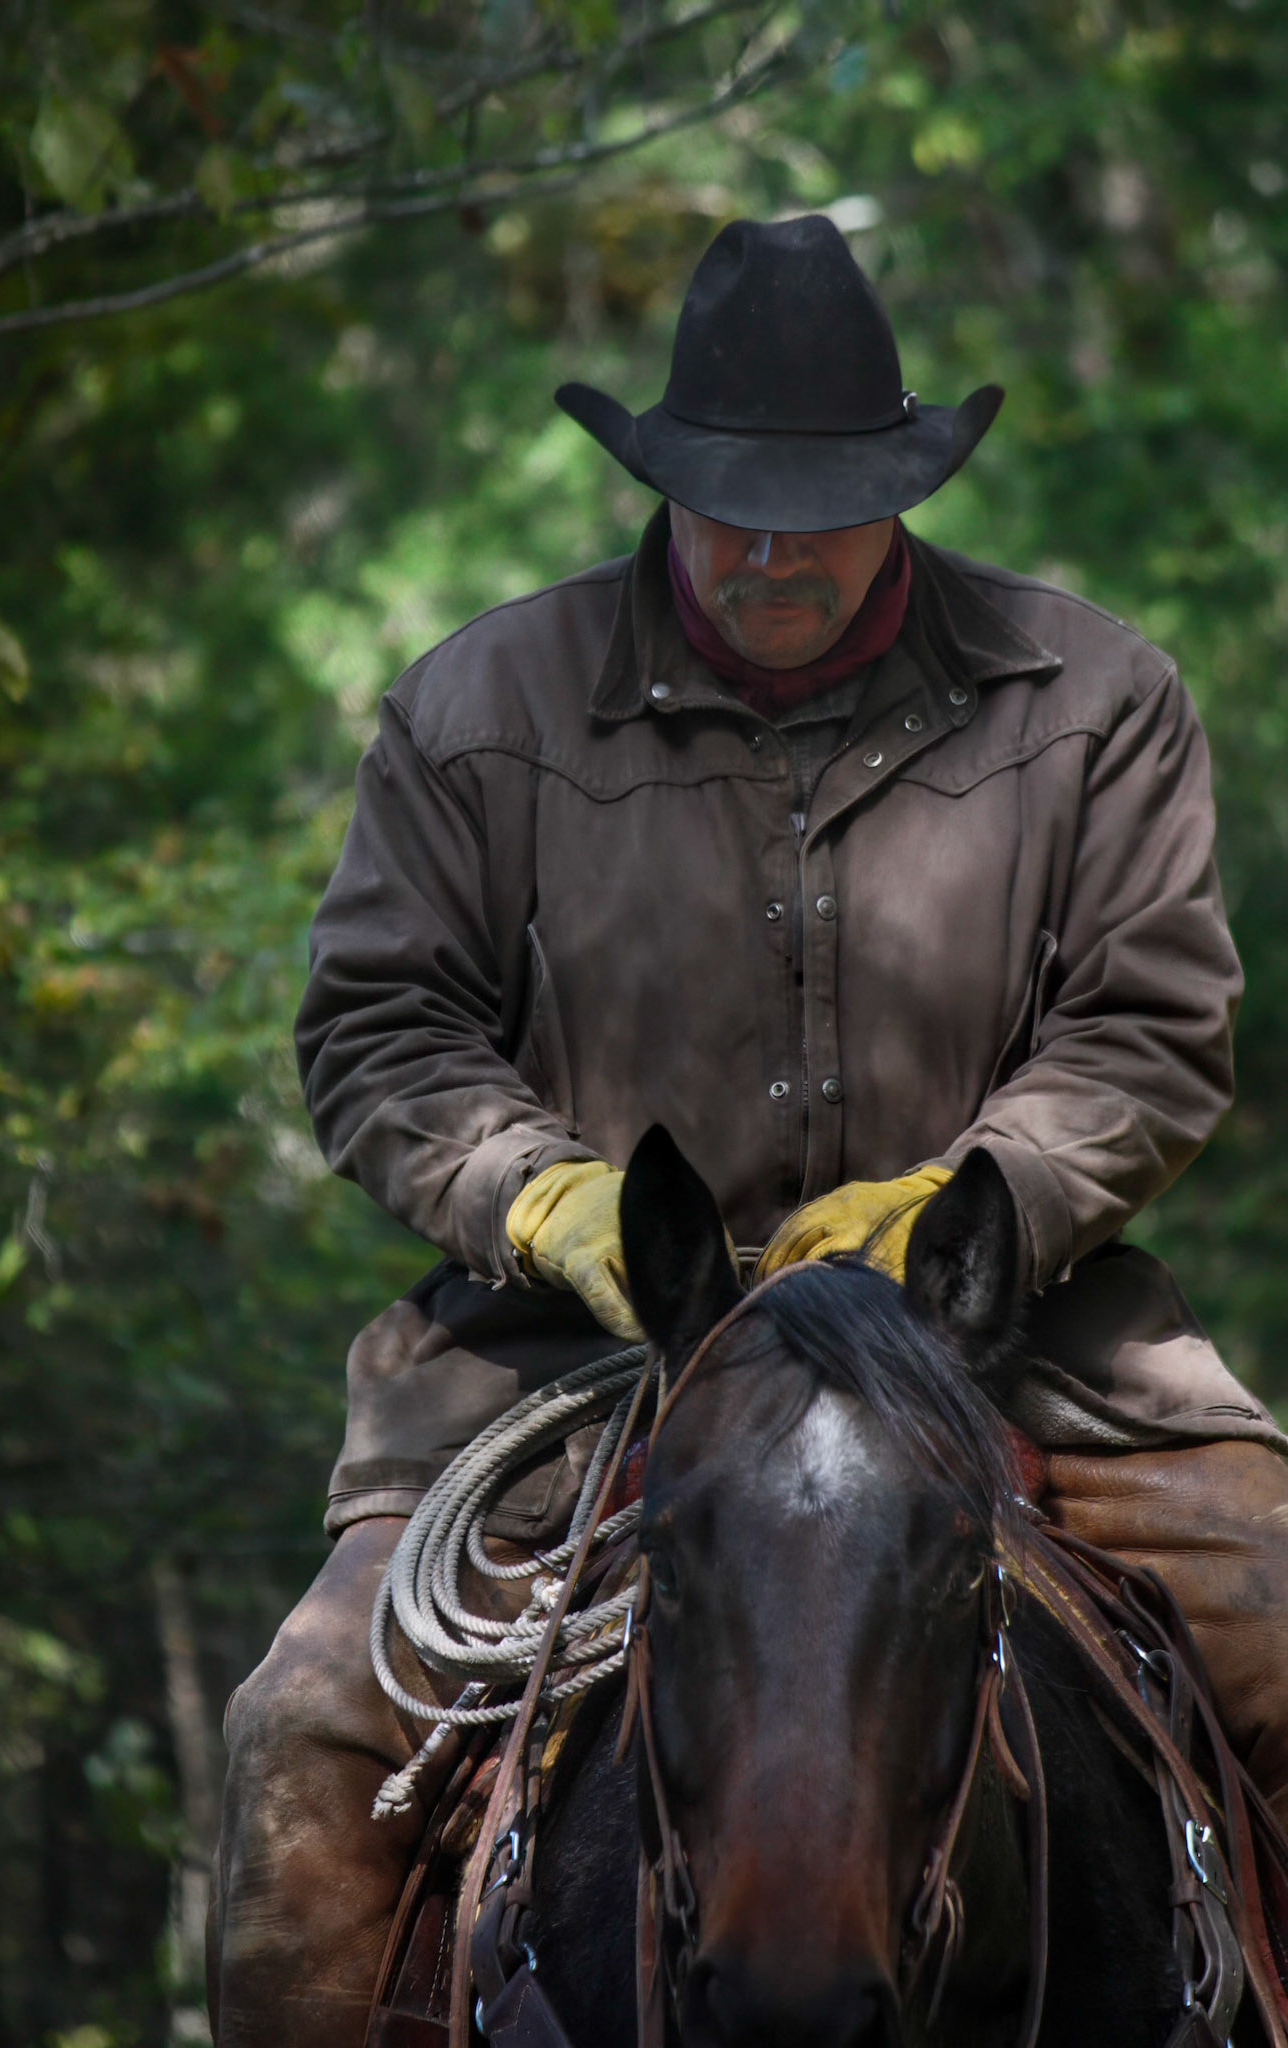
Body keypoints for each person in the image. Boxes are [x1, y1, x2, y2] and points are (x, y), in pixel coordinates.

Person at [207, 214, 1288, 2048]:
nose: (772, 550)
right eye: (728, 503)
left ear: (900, 480)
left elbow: (1152, 1025)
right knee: (296, 1760)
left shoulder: (1094, 699)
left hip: (1016, 1336)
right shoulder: (481, 708)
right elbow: (382, 1025)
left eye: (820, 503)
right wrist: (534, 1196)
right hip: (581, 1354)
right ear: (663, 480)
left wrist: (982, 1202)